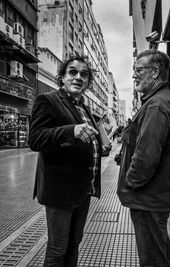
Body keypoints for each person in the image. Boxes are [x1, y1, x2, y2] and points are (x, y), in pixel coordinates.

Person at [28, 54, 110, 266]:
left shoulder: (84, 107)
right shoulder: (48, 100)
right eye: (72, 72)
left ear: (88, 82)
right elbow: (36, 139)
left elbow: (85, 140)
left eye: (83, 74)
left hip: (83, 190)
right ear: (62, 77)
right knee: (58, 249)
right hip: (60, 191)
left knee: (74, 244)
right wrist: (71, 130)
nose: (78, 77)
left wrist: (100, 146)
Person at [117, 49, 170, 267]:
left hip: (149, 199)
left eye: (138, 70)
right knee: (159, 257)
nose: (134, 75)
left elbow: (146, 158)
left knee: (153, 261)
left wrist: (131, 183)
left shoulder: (157, 104)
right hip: (154, 198)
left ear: (154, 72)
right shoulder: (159, 100)